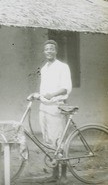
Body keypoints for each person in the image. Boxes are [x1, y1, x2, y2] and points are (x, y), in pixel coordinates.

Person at [29, 40, 72, 185]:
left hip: (56, 107)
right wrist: (36, 95)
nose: (49, 51)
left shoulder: (63, 67)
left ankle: (64, 175)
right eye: (46, 49)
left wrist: (52, 94)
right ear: (44, 51)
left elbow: (66, 88)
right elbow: (43, 90)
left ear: (56, 51)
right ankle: (54, 174)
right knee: (48, 142)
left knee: (59, 141)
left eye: (51, 49)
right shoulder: (44, 68)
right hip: (44, 108)